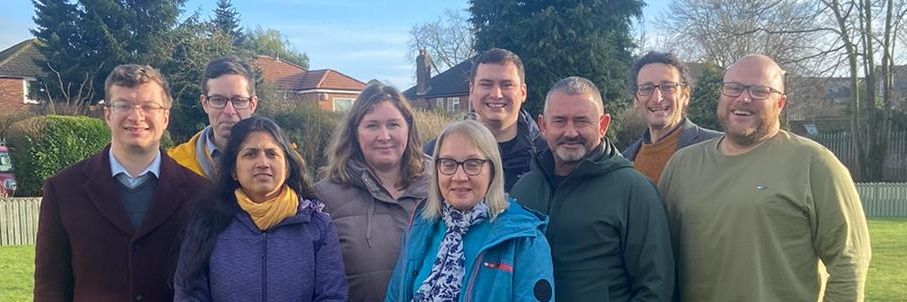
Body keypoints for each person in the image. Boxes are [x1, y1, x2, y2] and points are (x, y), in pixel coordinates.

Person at [658, 54, 871, 301]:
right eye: (733, 88)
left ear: (780, 103)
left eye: (760, 91)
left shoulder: (815, 164)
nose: (743, 98)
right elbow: (656, 257)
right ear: (722, 95)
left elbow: (849, 262)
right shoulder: (682, 165)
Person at [34, 64, 209, 301]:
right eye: (123, 105)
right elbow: (50, 286)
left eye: (148, 107)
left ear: (165, 116)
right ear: (107, 114)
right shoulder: (63, 189)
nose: (136, 116)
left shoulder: (200, 194)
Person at [511, 76, 673, 301]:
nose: (570, 132)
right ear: (543, 126)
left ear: (603, 125)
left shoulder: (634, 191)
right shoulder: (523, 191)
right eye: (559, 121)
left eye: (581, 121)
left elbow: (656, 287)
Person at [174, 117, 347, 301]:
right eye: (250, 154)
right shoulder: (208, 222)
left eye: (272, 154)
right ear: (233, 169)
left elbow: (332, 295)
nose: (263, 163)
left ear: (287, 168)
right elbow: (189, 294)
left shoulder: (317, 225)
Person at [387, 120, 554, 302]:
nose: (459, 177)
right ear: (436, 170)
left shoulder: (525, 239)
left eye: (473, 164)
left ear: (492, 170)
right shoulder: (420, 227)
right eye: (449, 164)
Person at [315, 83, 430, 301]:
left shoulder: (439, 186)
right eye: (372, 126)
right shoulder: (325, 197)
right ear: (355, 132)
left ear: (408, 128)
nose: (384, 136)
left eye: (393, 125)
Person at [423, 48, 548, 192]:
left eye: (507, 84)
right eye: (486, 84)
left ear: (523, 92)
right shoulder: (435, 153)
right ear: (471, 90)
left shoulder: (545, 155)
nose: (496, 94)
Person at [622, 51, 721, 183]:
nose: (657, 98)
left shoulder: (717, 148)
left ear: (686, 95)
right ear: (636, 100)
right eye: (647, 88)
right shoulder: (625, 161)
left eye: (667, 87)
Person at [169, 55, 258, 179]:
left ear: (252, 104)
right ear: (205, 103)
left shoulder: (279, 165)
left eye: (238, 100)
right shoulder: (175, 165)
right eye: (218, 100)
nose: (229, 111)